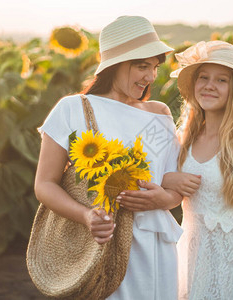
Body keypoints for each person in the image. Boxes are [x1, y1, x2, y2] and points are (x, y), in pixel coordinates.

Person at [34, 16, 183, 299]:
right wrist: (87, 215)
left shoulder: (159, 114)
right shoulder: (73, 109)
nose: (150, 77)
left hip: (155, 245)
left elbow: (171, 183)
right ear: (115, 64)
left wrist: (165, 199)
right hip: (102, 245)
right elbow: (44, 184)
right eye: (142, 66)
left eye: (154, 67)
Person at [161, 41, 233, 300]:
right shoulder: (183, 138)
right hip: (189, 260)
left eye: (222, 80)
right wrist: (169, 178)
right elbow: (159, 184)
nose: (209, 85)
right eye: (203, 77)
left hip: (232, 267)